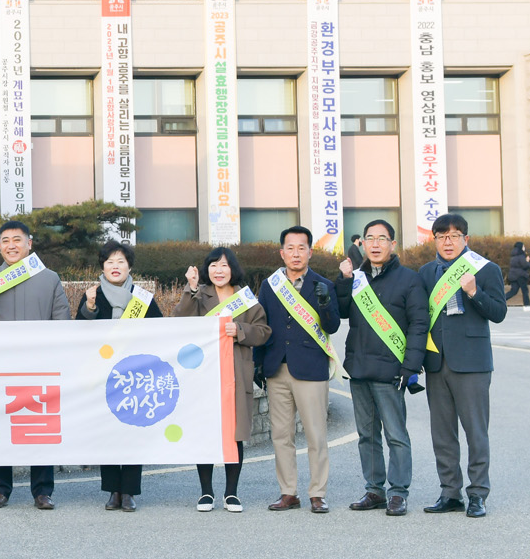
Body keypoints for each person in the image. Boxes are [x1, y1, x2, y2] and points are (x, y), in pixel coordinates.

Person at [0, 219, 70, 510]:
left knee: (40, 427)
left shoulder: (49, 278)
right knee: (0, 426)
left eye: (17, 240)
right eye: (5, 241)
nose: (11, 246)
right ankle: (0, 490)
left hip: (39, 367)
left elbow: (62, 320)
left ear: (29, 244)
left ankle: (42, 492)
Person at [332, 219, 428, 517]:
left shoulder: (409, 279)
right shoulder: (356, 278)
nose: (375, 244)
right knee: (366, 435)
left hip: (392, 371)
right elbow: (341, 312)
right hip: (359, 368)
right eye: (369, 238)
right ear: (362, 244)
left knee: (396, 434)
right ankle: (374, 489)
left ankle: (398, 492)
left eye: (381, 239)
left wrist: (411, 366)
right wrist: (343, 280)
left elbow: (419, 324)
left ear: (392, 244)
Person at [419, 213, 506, 518]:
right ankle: (450, 492)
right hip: (436, 362)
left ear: (466, 239)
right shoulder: (426, 273)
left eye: (455, 236)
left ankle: (478, 493)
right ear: (434, 240)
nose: (448, 242)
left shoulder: (486, 269)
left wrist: (474, 292)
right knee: (442, 434)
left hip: (472, 363)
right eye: (442, 236)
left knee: (476, 432)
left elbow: (498, 313)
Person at [173, 247, 270, 512]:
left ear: (232, 269)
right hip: (203, 374)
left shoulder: (245, 298)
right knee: (204, 431)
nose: (219, 271)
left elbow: (263, 331)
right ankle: (206, 493)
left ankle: (231, 493)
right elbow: (180, 321)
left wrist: (240, 330)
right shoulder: (199, 294)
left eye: (224, 265)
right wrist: (191, 288)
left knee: (234, 432)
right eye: (214, 265)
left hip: (236, 373)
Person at [253, 225, 342, 514]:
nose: (295, 253)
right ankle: (288, 492)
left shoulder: (323, 284)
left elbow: (332, 326)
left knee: (316, 434)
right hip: (277, 368)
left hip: (311, 369)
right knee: (281, 435)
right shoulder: (270, 285)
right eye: (290, 248)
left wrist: (325, 304)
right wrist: (257, 363)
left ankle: (318, 493)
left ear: (310, 252)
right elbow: (262, 325)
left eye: (301, 248)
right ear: (282, 253)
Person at [76, 239, 163, 511]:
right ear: (102, 266)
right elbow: (79, 333)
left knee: (133, 431)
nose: (115, 266)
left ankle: (129, 491)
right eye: (109, 261)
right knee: (108, 433)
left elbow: (161, 332)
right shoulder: (93, 295)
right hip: (103, 375)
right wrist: (89, 308)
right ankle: (113, 490)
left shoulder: (143, 298)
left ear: (129, 267)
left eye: (120, 262)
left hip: (135, 374)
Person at [504, 241, 530, 310]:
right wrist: (527, 261)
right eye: (523, 246)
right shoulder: (521, 256)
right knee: (525, 291)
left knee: (513, 291)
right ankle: (527, 306)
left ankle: (501, 300)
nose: (524, 248)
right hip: (520, 275)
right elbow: (525, 265)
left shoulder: (513, 256)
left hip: (513, 275)